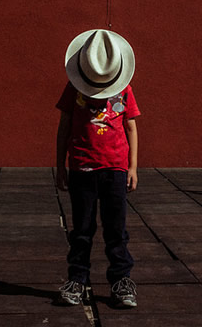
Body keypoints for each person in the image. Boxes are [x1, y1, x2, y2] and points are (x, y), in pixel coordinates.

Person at [56, 28, 140, 308]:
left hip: (115, 169)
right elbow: (64, 126)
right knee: (82, 230)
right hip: (82, 169)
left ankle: (121, 281)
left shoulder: (125, 91)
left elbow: (131, 127)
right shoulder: (73, 89)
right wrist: (60, 166)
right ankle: (77, 280)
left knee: (116, 230)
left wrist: (133, 167)